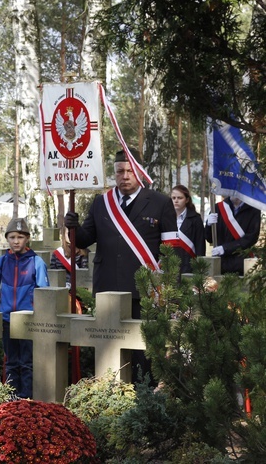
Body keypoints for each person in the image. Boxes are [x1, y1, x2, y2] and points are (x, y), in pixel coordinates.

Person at [65, 148, 177, 380]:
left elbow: (170, 251)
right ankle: (111, 397)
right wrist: (73, 227)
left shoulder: (160, 203)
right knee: (108, 350)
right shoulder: (101, 203)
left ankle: (142, 394)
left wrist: (166, 288)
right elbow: (86, 239)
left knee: (142, 351)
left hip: (144, 289)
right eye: (119, 171)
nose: (124, 176)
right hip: (108, 287)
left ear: (139, 172)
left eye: (129, 171)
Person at [0, 217, 48, 399]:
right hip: (7, 319)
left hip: (29, 320)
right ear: (7, 239)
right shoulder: (1, 263)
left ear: (27, 238)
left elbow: (43, 291)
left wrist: (39, 313)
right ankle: (12, 398)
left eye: (20, 237)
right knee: (11, 362)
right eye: (12, 237)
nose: (16, 241)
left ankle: (27, 398)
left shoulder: (36, 262)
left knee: (27, 361)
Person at [205, 196, 261, 276]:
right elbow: (210, 238)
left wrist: (225, 248)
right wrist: (208, 225)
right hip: (220, 264)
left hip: (241, 264)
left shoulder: (253, 209)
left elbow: (251, 238)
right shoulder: (218, 207)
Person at [170, 185, 205, 274]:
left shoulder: (195, 219)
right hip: (170, 267)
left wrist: (199, 269)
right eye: (173, 198)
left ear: (187, 200)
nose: (176, 201)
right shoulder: (166, 218)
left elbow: (200, 245)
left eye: (180, 198)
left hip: (188, 266)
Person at [49, 225, 89, 291]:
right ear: (64, 234)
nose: (71, 235)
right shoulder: (57, 254)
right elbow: (53, 276)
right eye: (68, 233)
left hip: (80, 290)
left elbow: (85, 276)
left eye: (73, 232)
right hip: (61, 290)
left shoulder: (84, 252)